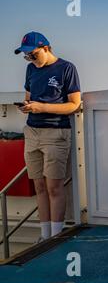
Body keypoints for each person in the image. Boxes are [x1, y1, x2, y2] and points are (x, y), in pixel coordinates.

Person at [15, 32, 81, 241]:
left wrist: (42, 107)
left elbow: (74, 104)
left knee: (54, 186)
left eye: (32, 55)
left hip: (55, 132)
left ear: (46, 48)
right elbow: (28, 97)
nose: (30, 60)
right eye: (27, 57)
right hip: (32, 131)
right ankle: (44, 236)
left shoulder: (66, 68)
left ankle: (56, 236)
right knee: (39, 186)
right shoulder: (30, 69)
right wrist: (27, 107)